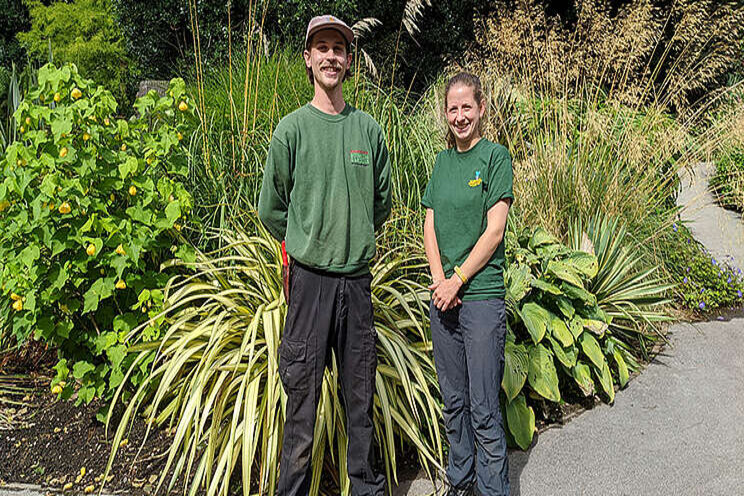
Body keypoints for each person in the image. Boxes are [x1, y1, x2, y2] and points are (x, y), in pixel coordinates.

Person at [257, 14, 391, 496]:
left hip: (356, 285)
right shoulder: (291, 130)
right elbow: (270, 207)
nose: (331, 56)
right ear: (308, 59)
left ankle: (366, 489)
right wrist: (306, 242)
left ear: (349, 60)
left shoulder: (368, 131)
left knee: (360, 402)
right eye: (323, 48)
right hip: (309, 285)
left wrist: (350, 239)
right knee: (301, 407)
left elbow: (382, 203)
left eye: (340, 48)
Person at [421, 72, 514, 496]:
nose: (460, 116)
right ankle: (460, 483)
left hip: (480, 297)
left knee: (483, 407)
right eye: (453, 108)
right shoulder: (441, 163)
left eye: (467, 107)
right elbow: (430, 225)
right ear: (446, 113)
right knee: (453, 403)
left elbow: (494, 231)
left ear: (481, 109)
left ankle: (492, 489)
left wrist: (457, 280)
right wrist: (440, 280)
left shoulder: (495, 157)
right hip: (444, 298)